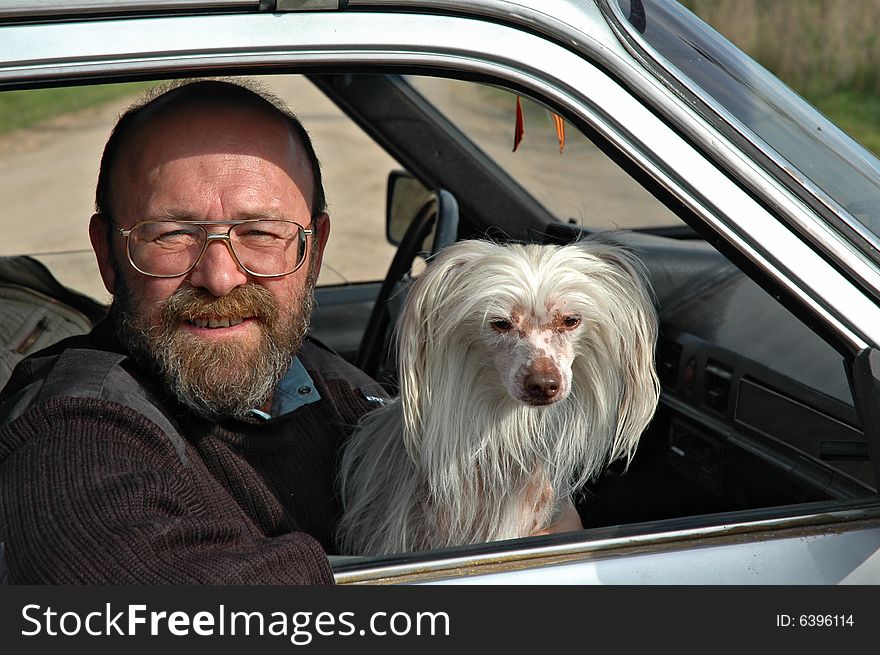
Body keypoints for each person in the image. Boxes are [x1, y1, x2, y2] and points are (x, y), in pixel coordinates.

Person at [0, 79, 387, 584]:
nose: (221, 277)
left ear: (312, 252)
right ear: (107, 255)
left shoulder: (316, 374)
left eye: (261, 233)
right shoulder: (72, 439)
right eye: (173, 234)